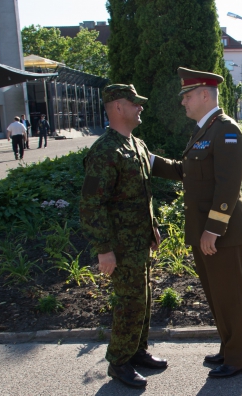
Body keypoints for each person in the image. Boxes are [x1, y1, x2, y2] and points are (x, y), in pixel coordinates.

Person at [151, 68, 242, 379]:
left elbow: (228, 185)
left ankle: (239, 358)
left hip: (220, 232)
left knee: (230, 294)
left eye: (188, 95)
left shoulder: (225, 130)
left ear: (205, 95)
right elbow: (188, 171)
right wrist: (151, 161)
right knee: (216, 293)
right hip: (205, 231)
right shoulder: (203, 130)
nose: (183, 101)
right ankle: (229, 346)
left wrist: (213, 228)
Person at [79, 84, 167, 389]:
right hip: (120, 245)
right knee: (129, 302)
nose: (140, 107)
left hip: (139, 240)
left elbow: (144, 193)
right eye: (135, 103)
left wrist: (152, 225)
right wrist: (104, 249)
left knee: (142, 298)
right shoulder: (105, 151)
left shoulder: (136, 145)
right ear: (118, 107)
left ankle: (137, 351)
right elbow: (91, 206)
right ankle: (119, 362)